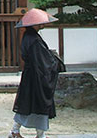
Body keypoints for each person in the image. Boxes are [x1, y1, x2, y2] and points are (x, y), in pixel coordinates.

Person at [8, 8, 61, 138]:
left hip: (29, 75)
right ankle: (39, 135)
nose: (42, 25)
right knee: (39, 103)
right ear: (34, 24)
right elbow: (43, 61)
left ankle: (16, 131)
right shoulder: (35, 40)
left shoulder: (28, 36)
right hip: (37, 76)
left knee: (26, 103)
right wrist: (54, 62)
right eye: (39, 23)